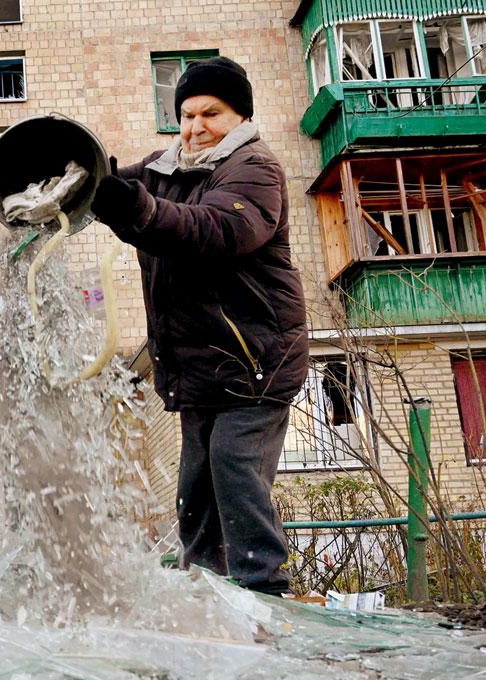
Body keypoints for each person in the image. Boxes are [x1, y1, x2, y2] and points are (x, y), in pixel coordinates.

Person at [91, 56, 308, 595]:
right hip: (197, 364)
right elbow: (109, 186)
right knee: (196, 487)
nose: (195, 127)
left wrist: (137, 210)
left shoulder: (255, 169)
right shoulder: (167, 169)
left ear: (240, 117)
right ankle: (206, 592)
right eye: (186, 115)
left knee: (235, 471)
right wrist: (74, 182)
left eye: (211, 114)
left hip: (254, 358)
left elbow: (215, 229)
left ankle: (263, 592)